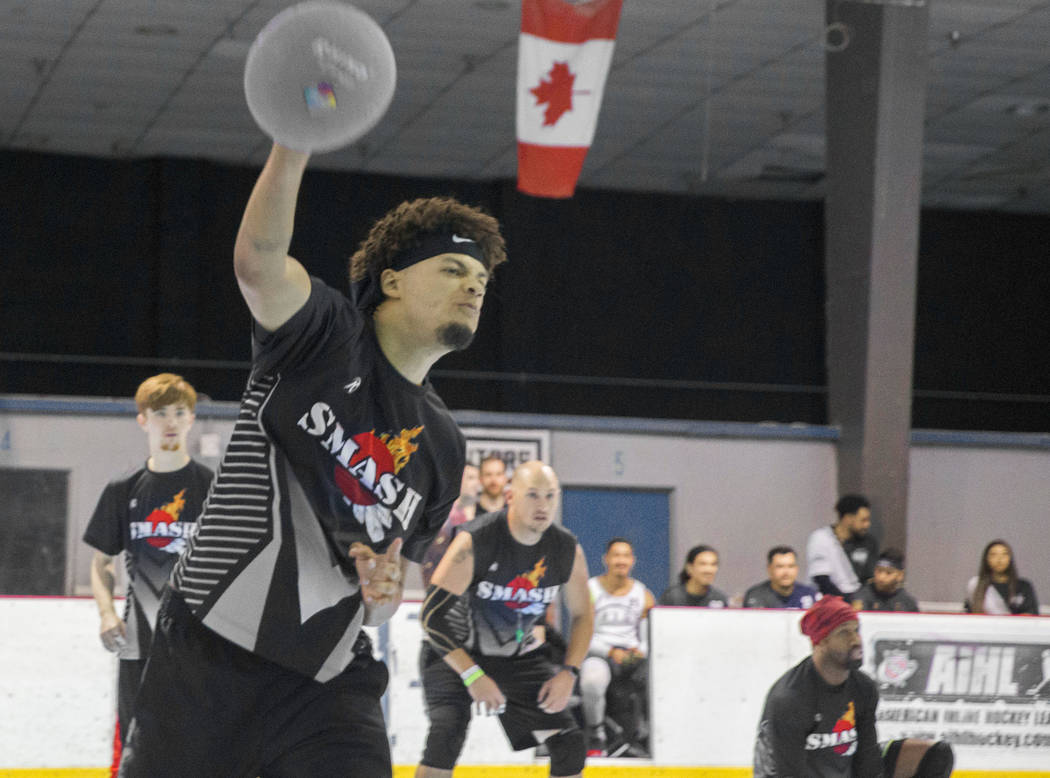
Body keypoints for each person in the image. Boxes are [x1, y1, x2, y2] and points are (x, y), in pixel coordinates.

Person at [118, 142, 507, 777]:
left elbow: (384, 598)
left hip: (328, 682)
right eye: (452, 270)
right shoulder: (324, 335)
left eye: (481, 279)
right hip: (206, 657)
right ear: (392, 280)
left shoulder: (443, 445)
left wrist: (385, 591)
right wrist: (292, 143)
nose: (473, 286)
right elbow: (257, 262)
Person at [415, 461, 593, 778]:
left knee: (570, 745)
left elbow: (582, 615)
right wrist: (472, 675)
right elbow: (431, 618)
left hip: (515, 656)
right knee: (447, 734)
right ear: (510, 496)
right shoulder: (475, 541)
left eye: (550, 497)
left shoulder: (567, 549)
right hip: (454, 653)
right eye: (533, 496)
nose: (543, 506)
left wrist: (569, 672)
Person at [82, 374, 214, 761]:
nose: (170, 421)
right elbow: (102, 562)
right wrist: (107, 614)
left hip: (199, 644)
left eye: (179, 412)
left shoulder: (213, 488)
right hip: (138, 642)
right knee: (137, 748)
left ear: (191, 419)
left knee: (199, 747)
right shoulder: (123, 487)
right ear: (143, 420)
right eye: (160, 413)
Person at [754, 597, 954, 778]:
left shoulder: (863, 687)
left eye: (856, 630)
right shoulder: (790, 698)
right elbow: (788, 772)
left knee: (936, 755)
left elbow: (867, 759)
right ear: (822, 640)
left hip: (840, 768)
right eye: (844, 633)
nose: (856, 640)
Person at [581, 538, 655, 757]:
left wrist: (640, 651)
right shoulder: (590, 589)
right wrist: (610, 652)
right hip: (599, 652)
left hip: (633, 656)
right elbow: (582, 633)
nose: (621, 560)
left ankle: (648, 734)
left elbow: (648, 635)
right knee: (591, 682)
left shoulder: (643, 594)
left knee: (660, 678)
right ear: (606, 559)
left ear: (632, 561)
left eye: (626, 556)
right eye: (616, 555)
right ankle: (596, 733)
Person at [806, 494, 878, 600]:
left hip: (859, 603)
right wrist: (844, 602)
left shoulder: (869, 543)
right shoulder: (821, 538)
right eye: (863, 520)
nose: (867, 525)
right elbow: (821, 579)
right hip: (826, 602)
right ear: (848, 518)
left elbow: (869, 579)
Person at [420, 463, 480, 588]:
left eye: (476, 478)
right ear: (458, 478)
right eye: (470, 478)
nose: (475, 483)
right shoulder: (441, 513)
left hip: (472, 585)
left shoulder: (483, 512)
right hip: (439, 581)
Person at [964, 539, 1039, 615]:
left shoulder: (1024, 587)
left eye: (1004, 554)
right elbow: (969, 617)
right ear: (986, 559)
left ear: (1010, 559)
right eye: (993, 555)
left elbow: (1031, 615)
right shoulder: (976, 586)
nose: (999, 559)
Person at [744, 545, 819, 609]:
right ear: (769, 569)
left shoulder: (810, 594)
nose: (786, 572)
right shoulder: (756, 595)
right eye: (780, 567)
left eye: (791, 566)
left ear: (797, 568)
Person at [658, 544, 729, 607]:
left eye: (713, 564)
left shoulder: (719, 599)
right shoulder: (672, 597)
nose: (709, 570)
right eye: (703, 564)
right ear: (689, 568)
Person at [852, 549, 920, 612]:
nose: (881, 577)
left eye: (889, 573)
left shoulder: (908, 602)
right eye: (879, 571)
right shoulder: (861, 597)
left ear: (900, 575)